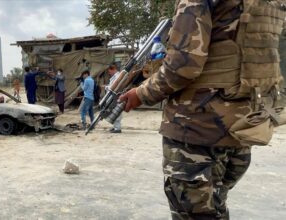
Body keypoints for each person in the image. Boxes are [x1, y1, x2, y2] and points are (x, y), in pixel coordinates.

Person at [119, 0, 285, 219]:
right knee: (216, 207)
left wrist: (141, 94)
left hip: (197, 128)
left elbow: (183, 65)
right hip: (244, 125)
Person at [106, 64, 122, 133]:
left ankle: (118, 128)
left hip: (116, 96)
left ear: (113, 69)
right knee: (113, 112)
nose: (109, 73)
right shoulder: (115, 76)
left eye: (109, 71)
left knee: (116, 112)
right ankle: (115, 126)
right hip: (113, 97)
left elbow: (113, 87)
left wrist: (106, 87)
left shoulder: (118, 76)